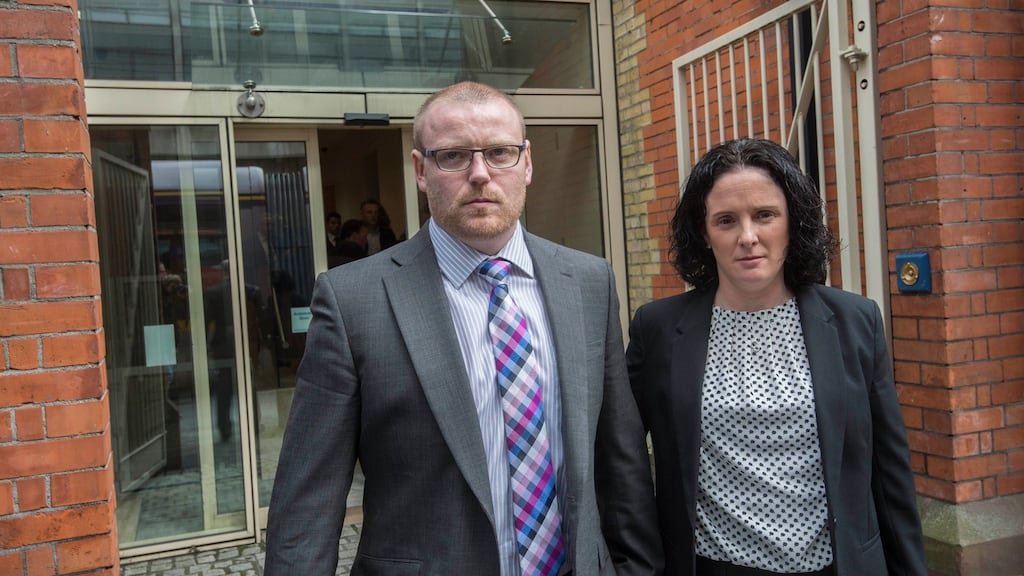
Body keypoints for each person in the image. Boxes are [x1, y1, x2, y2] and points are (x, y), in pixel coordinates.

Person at [264, 81, 663, 576]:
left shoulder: (587, 281)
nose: (480, 174)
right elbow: (309, 496)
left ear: (528, 163)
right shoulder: (353, 300)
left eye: (499, 152)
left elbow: (620, 455)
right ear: (421, 171)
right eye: (453, 156)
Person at [627, 138, 927, 575]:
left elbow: (889, 471)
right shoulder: (657, 329)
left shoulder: (854, 321)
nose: (748, 237)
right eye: (726, 220)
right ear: (704, 232)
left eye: (764, 215)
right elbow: (624, 463)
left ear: (793, 222)